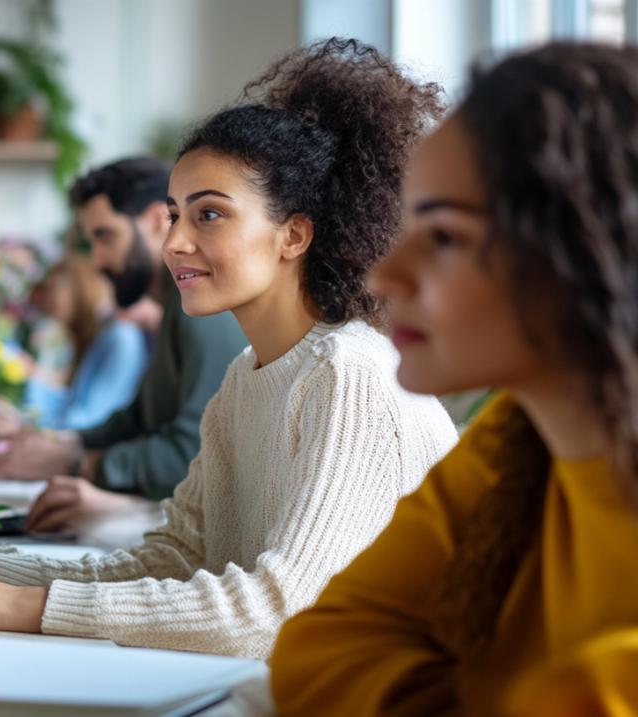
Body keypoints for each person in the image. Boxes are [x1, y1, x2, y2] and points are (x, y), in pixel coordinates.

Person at [0, 38, 456, 658]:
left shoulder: (349, 373)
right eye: (173, 215)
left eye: (209, 215)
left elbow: (274, 613)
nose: (175, 243)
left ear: (293, 234)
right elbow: (173, 559)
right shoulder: (246, 379)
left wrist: (4, 605)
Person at [271, 43, 638, 715]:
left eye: (443, 236)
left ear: (586, 249)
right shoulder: (514, 441)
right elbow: (318, 648)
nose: (385, 276)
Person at [0, 157, 248, 521]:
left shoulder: (200, 309)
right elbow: (139, 417)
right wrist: (68, 443)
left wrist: (80, 463)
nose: (97, 262)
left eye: (106, 236)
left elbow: (196, 452)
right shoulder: (174, 307)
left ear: (157, 222)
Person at [22, 255, 149, 431]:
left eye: (53, 288)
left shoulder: (120, 337)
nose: (46, 299)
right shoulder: (96, 338)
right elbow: (72, 405)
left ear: (78, 289)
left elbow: (91, 419)